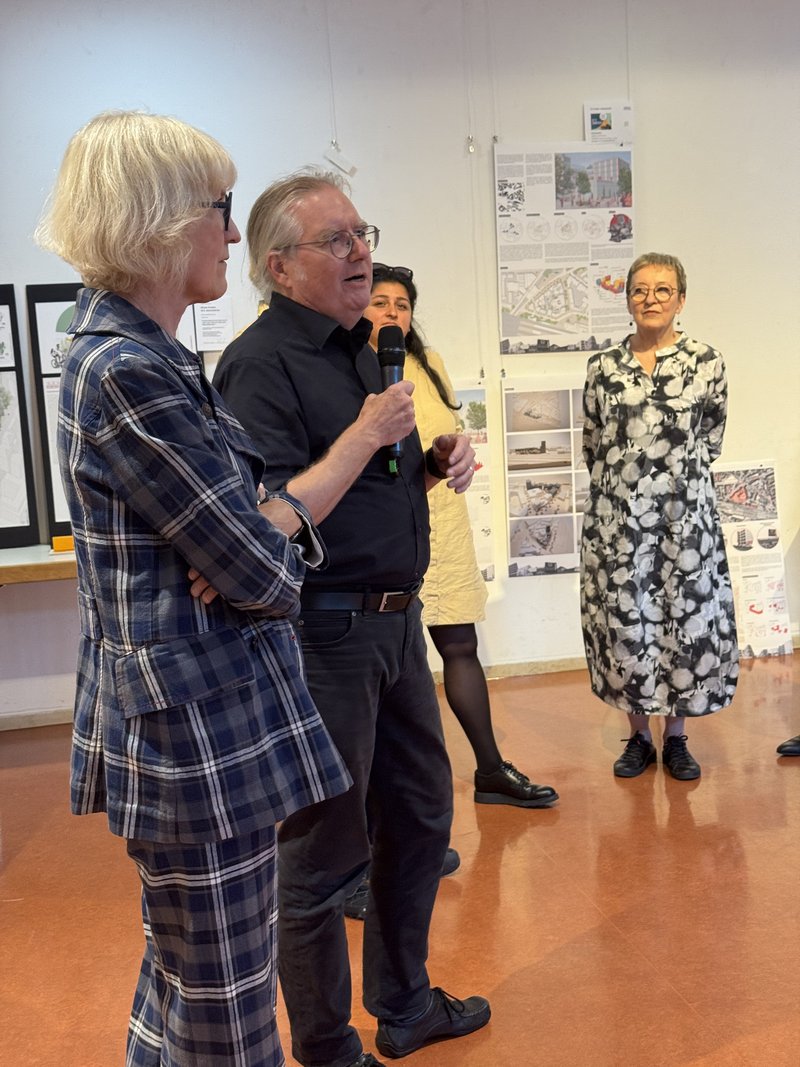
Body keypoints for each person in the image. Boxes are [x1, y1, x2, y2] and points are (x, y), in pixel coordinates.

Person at [35, 112, 350, 1067]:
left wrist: (260, 528)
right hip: (194, 733)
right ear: (163, 217)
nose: (230, 232)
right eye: (220, 207)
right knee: (226, 1012)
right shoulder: (128, 367)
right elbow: (259, 569)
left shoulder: (145, 351)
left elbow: (250, 528)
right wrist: (263, 542)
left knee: (187, 979)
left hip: (198, 717)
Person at [213, 172, 490, 1067]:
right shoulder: (258, 365)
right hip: (322, 634)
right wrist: (369, 434)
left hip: (396, 626)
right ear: (278, 265)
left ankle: (404, 1006)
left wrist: (430, 459)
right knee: (325, 851)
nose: (360, 252)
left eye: (362, 233)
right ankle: (327, 1046)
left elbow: (369, 480)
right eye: (336, 240)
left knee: (420, 819)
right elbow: (273, 513)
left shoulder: (364, 349)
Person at [365, 264, 559, 809]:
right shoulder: (347, 365)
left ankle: (491, 769)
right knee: (382, 666)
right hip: (380, 526)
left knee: (459, 645)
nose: (393, 313)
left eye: (402, 305)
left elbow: (444, 432)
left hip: (441, 521)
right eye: (381, 302)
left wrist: (452, 450)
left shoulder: (429, 363)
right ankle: (383, 802)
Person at [580, 252, 739, 781]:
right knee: (627, 624)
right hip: (618, 525)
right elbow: (594, 444)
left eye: (663, 290)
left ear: (681, 299)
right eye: (640, 290)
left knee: (683, 622)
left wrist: (673, 486)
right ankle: (638, 737)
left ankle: (676, 737)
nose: (651, 299)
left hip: (685, 523)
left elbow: (710, 439)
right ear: (628, 299)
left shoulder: (707, 362)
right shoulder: (602, 368)